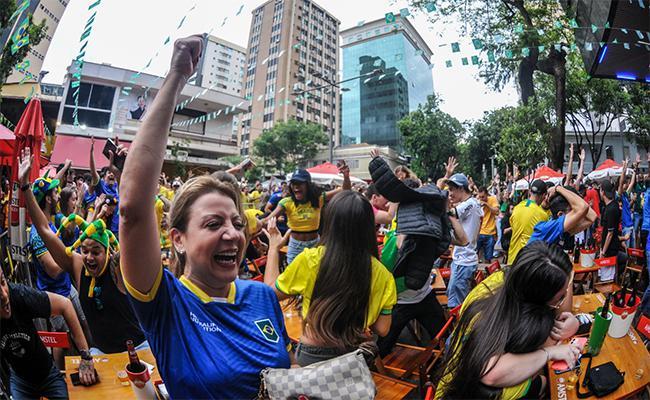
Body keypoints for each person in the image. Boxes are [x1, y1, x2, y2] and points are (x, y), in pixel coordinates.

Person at [118, 35, 291, 399]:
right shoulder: (166, 304)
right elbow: (133, 208)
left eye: (237, 223)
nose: (232, 234)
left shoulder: (263, 297)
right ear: (177, 239)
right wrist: (177, 75)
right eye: (213, 224)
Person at [20, 148, 147, 355]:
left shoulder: (118, 266)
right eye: (85, 250)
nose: (89, 257)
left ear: (107, 251)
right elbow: (43, 230)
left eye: (95, 251)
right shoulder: (78, 265)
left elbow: (133, 218)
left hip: (138, 349)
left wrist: (121, 175)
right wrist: (25, 187)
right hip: (102, 353)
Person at [264, 191, 397, 366]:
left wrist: (273, 248)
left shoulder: (310, 260)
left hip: (311, 355)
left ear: (330, 223)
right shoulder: (383, 274)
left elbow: (268, 294)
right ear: (369, 227)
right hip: (354, 357)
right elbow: (382, 328)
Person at [436, 242, 581, 399]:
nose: (562, 300)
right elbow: (491, 373)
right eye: (560, 297)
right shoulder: (500, 318)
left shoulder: (513, 284)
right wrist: (549, 352)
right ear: (539, 298)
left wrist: (572, 323)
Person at [1, 268, 97, 398]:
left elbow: (65, 305)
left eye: (2, 282)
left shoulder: (19, 295)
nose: (4, 295)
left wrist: (85, 357)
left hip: (47, 374)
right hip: (20, 381)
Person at [263, 167, 351, 264]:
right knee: (295, 277)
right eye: (294, 183)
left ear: (308, 185)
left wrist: (346, 176)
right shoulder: (286, 202)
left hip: (315, 244)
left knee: (315, 276)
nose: (296, 186)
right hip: (295, 246)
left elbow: (345, 190)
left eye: (300, 183)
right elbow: (268, 219)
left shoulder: (318, 199)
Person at [445, 172, 483, 309]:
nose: (449, 194)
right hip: (462, 260)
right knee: (453, 295)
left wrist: (445, 205)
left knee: (456, 305)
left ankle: (460, 330)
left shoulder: (470, 204)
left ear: (461, 188)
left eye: (451, 190)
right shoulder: (470, 204)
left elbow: (451, 213)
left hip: (464, 261)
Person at [528, 185, 596, 246]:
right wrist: (558, 188)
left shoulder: (560, 230)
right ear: (560, 214)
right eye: (573, 212)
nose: (577, 216)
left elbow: (592, 217)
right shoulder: (548, 228)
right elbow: (583, 207)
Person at [508, 179, 551, 263]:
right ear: (544, 195)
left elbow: (513, 226)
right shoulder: (542, 215)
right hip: (528, 260)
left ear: (530, 192)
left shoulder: (517, 208)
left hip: (512, 258)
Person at [477, 186, 499, 263]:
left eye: (483, 197)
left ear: (487, 195)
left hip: (490, 233)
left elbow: (496, 211)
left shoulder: (492, 199)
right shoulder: (477, 201)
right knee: (474, 255)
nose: (481, 199)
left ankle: (487, 273)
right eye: (480, 197)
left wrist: (486, 205)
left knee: (488, 258)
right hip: (479, 232)